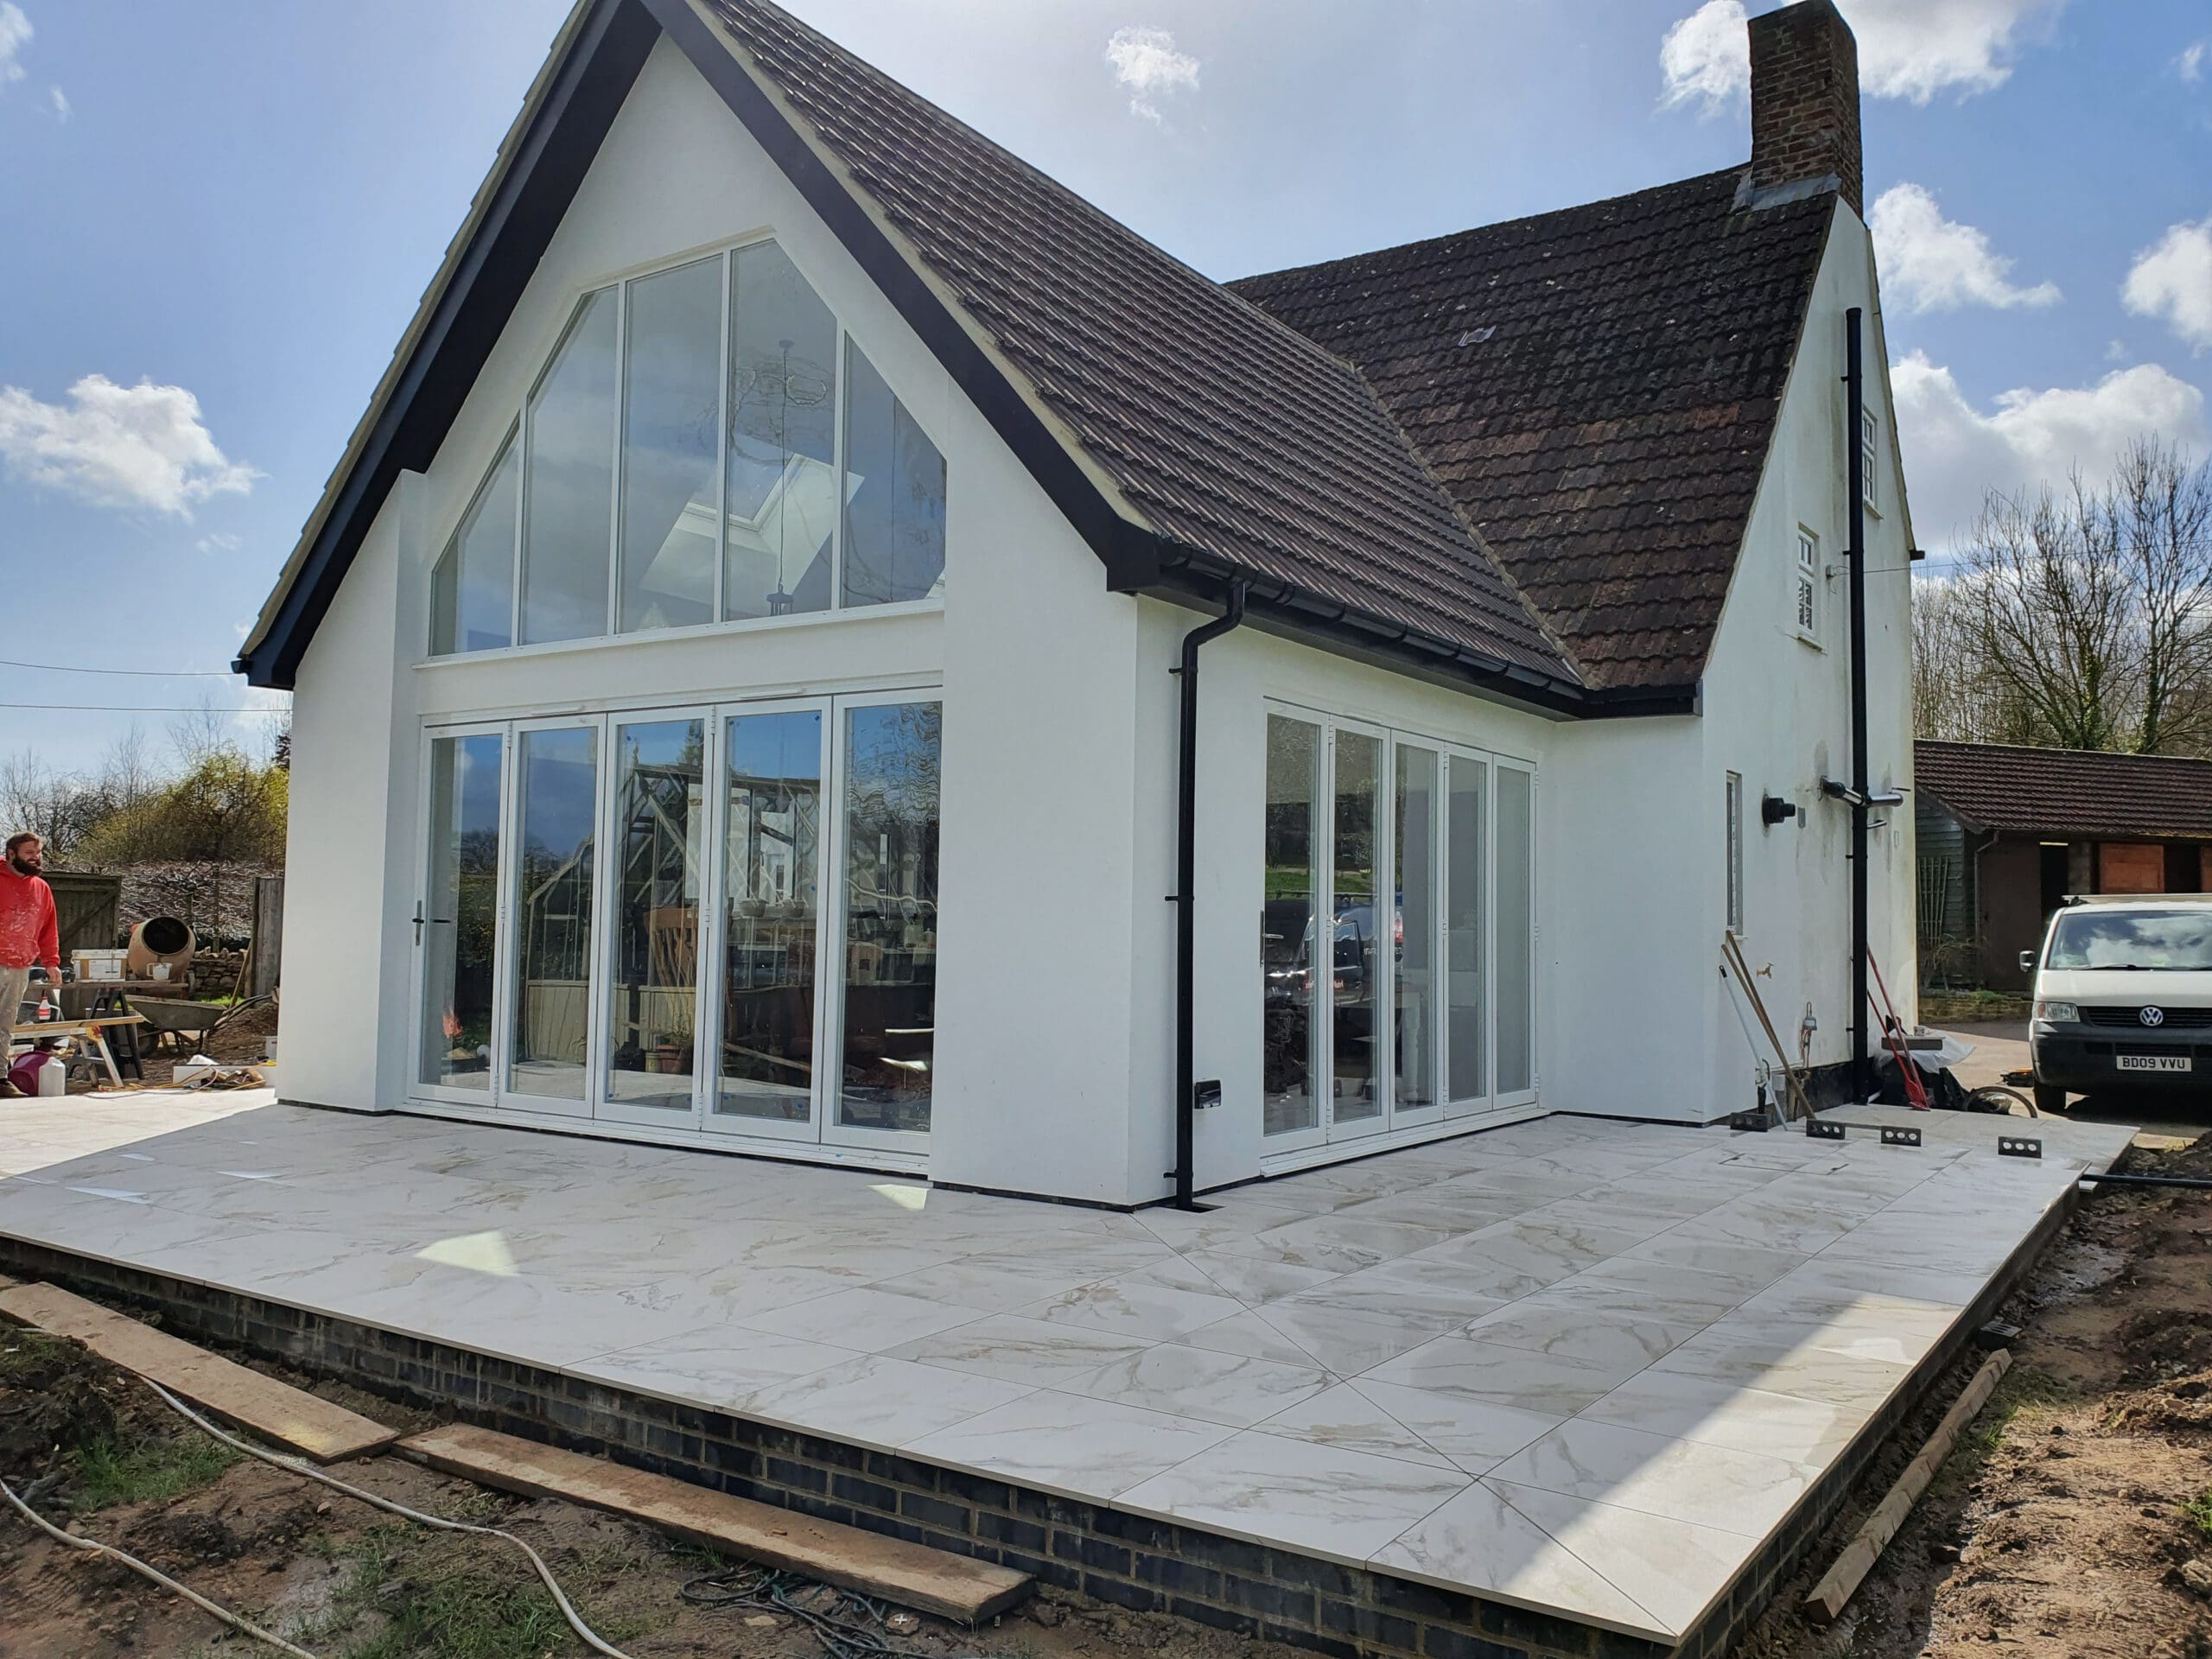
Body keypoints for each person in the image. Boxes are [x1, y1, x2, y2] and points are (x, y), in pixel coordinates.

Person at [0, 831, 60, 1029]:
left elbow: (48, 929)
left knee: (5, 1027)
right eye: (28, 852)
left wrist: (51, 963)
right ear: (11, 854)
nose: (35, 857)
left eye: (38, 852)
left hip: (20, 968)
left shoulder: (41, 888)